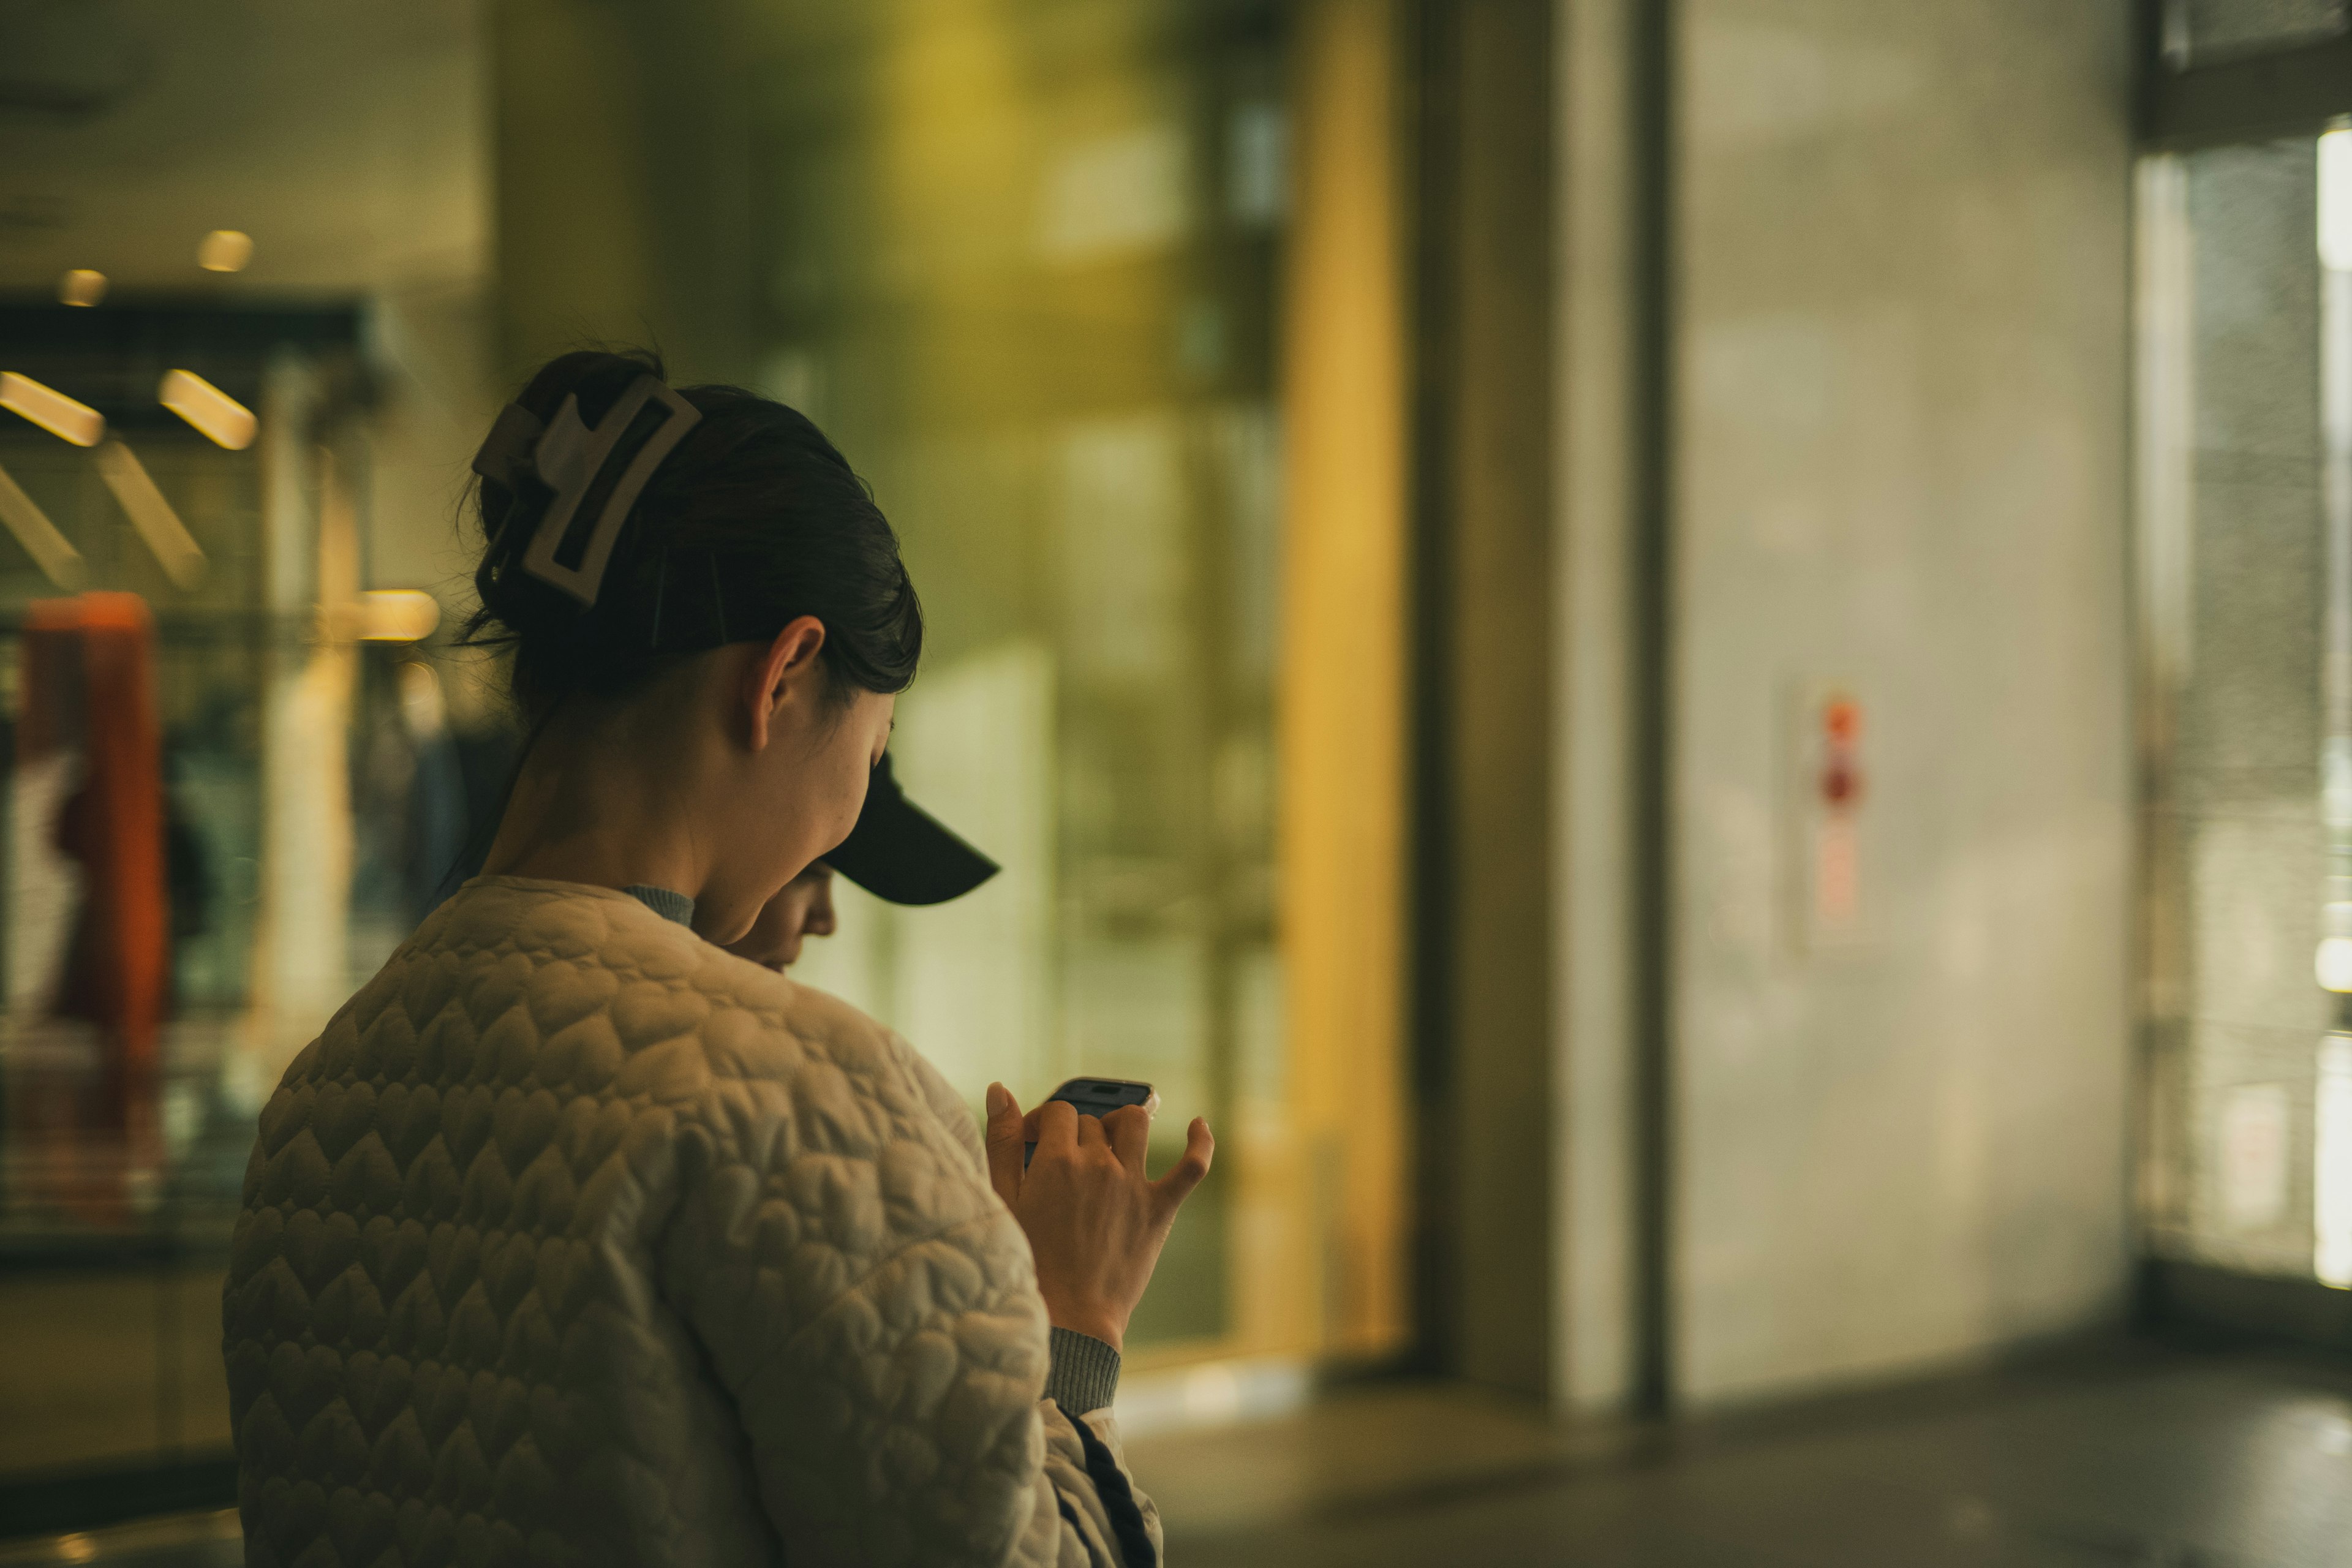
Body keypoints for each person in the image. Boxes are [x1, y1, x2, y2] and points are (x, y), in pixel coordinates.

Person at [221, 349, 1211, 1567]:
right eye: (873, 740)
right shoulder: (813, 1092)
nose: (850, 812)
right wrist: (1071, 1321)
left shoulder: (324, 1093)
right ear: (785, 675)